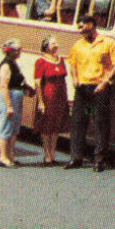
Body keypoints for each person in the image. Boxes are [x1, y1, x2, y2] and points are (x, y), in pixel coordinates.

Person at [65, 14, 115, 172]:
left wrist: (104, 82)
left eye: (82, 26)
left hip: (99, 89)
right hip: (83, 89)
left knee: (100, 123)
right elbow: (72, 63)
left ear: (91, 25)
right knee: (78, 122)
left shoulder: (108, 43)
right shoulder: (78, 45)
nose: (80, 30)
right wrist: (75, 79)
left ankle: (99, 160)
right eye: (79, 28)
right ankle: (76, 158)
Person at [0, 39, 31, 168]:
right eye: (18, 50)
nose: (20, 52)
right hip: (8, 97)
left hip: (16, 95)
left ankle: (10, 155)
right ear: (11, 51)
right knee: (5, 126)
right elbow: (3, 86)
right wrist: (8, 106)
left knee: (14, 128)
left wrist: (26, 87)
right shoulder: (5, 65)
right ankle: (3, 157)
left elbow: (19, 80)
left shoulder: (14, 63)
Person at [33, 35, 70, 165]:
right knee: (46, 125)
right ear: (46, 47)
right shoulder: (40, 61)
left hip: (60, 96)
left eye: (56, 43)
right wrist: (41, 102)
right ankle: (46, 154)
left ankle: (53, 153)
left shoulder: (61, 60)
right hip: (48, 95)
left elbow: (64, 79)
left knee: (56, 125)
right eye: (53, 44)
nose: (56, 46)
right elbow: (37, 83)